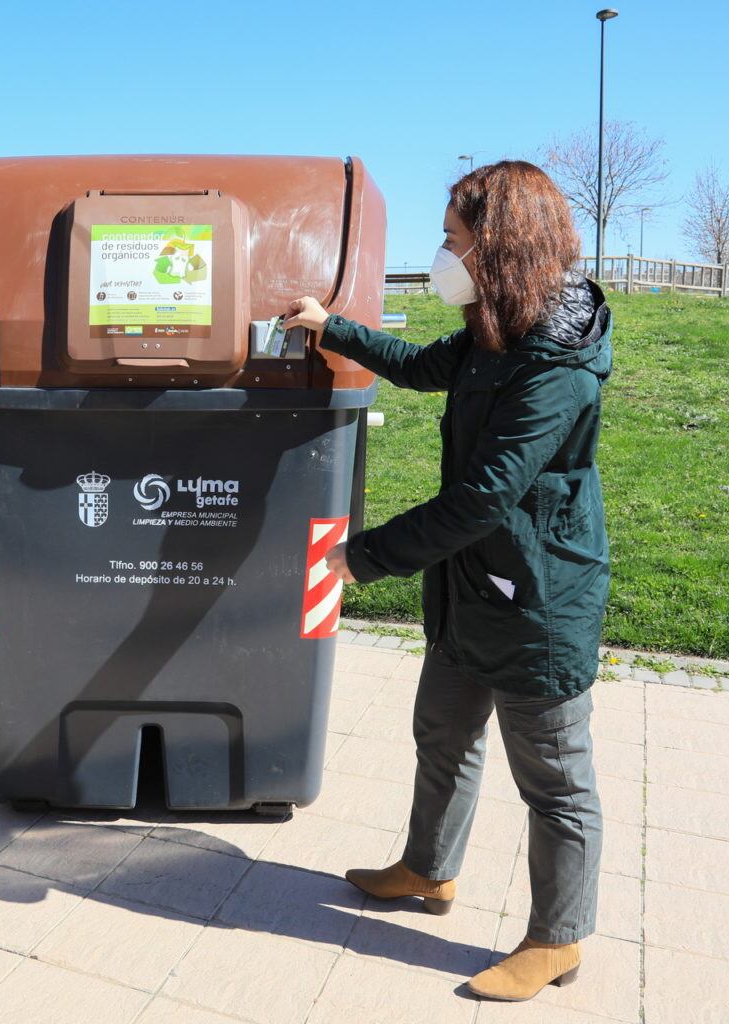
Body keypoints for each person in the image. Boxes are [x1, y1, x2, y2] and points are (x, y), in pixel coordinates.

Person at [284, 160, 611, 1003]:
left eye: (453, 239)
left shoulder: (557, 357)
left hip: (539, 597)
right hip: (475, 587)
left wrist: (364, 555)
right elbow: (429, 366)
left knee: (555, 780)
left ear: (497, 248)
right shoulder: (497, 324)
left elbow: (485, 497)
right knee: (443, 732)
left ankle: (557, 939)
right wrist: (336, 328)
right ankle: (429, 870)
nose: (442, 253)